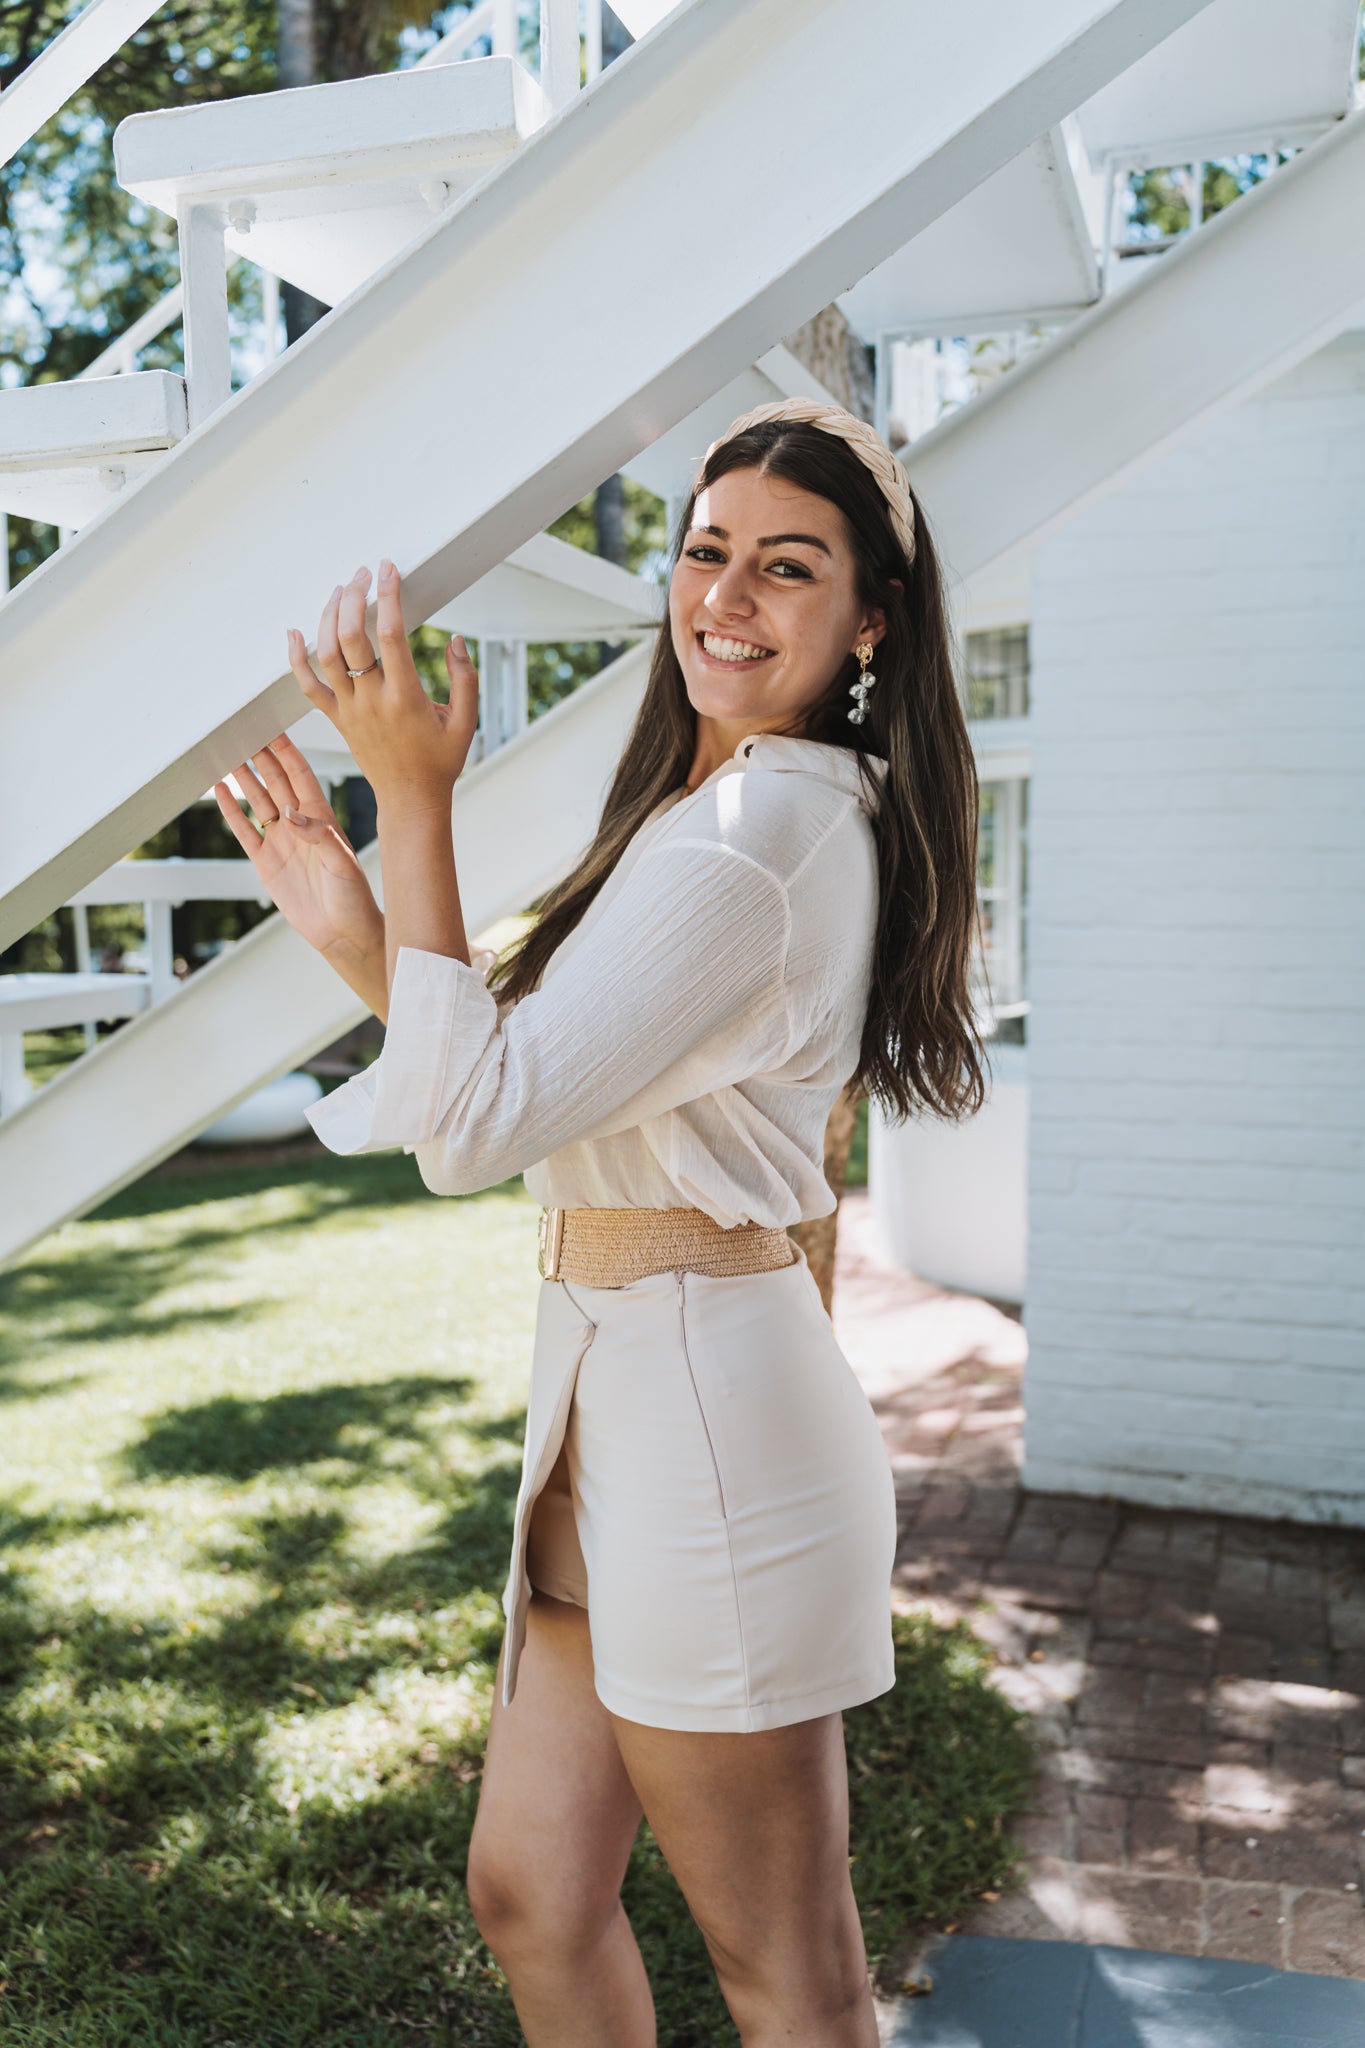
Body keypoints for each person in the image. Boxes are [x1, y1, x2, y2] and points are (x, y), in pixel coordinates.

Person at [213, 397, 984, 2048]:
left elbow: (473, 1130)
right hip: (616, 1389)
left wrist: (413, 794)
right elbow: (527, 1081)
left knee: (792, 1979)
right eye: (706, 551)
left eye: (787, 568)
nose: (724, 592)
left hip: (710, 1414)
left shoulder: (759, 834)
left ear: (867, 624)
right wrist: (361, 929)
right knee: (532, 1893)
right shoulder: (720, 814)